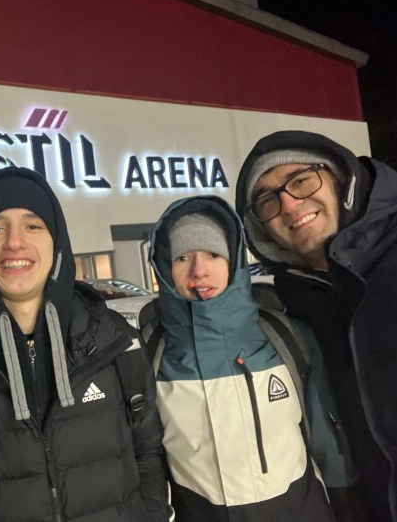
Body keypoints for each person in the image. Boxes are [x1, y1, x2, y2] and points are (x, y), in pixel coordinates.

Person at [0, 166, 173, 521]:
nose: (14, 242)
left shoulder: (114, 341)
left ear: (56, 242)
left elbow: (147, 451)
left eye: (33, 226)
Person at [144, 195, 357, 522]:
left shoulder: (285, 335)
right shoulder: (151, 351)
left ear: (233, 261)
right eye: (182, 257)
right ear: (163, 267)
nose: (199, 271)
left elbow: (325, 433)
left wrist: (346, 499)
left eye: (213, 254)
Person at [235, 130, 397, 522]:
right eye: (268, 199)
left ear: (341, 179)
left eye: (300, 180)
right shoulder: (296, 300)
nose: (289, 204)